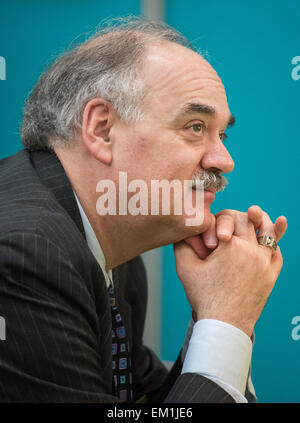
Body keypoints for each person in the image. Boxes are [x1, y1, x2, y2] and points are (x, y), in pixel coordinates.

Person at [0, 17, 287, 403]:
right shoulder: (23, 252)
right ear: (102, 130)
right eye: (196, 127)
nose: (224, 159)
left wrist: (214, 316)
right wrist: (228, 320)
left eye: (222, 134)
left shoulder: (115, 253)